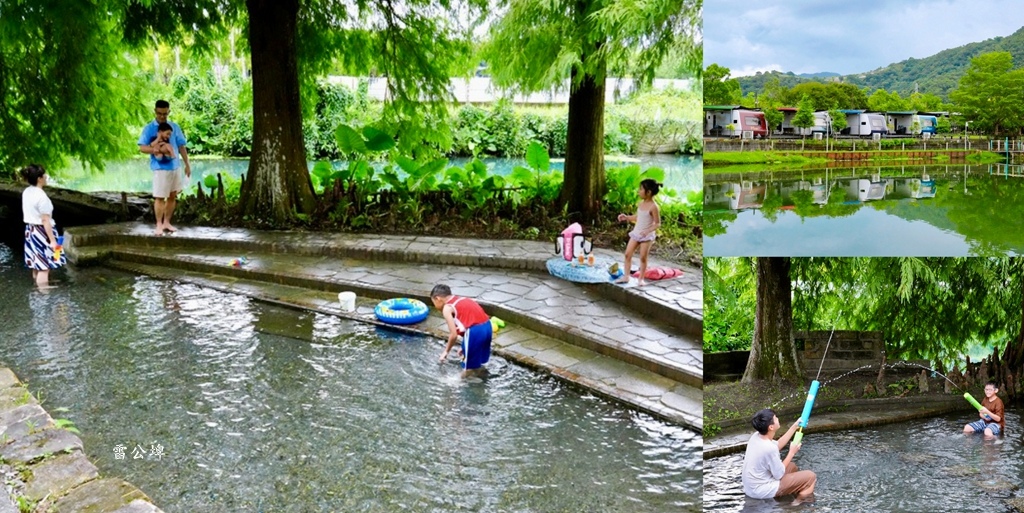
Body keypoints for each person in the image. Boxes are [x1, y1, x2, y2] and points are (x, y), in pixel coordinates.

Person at [742, 409, 817, 505]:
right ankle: (796, 505)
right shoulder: (768, 448)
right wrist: (792, 452)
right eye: (775, 418)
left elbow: (777, 445)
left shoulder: (756, 437)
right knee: (810, 477)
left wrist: (795, 426)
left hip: (751, 488)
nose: (778, 418)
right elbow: (779, 474)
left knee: (792, 466)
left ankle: (789, 495)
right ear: (771, 427)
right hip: (761, 491)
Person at [138, 99, 191, 236]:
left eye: (165, 114)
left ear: (169, 112)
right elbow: (142, 148)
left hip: (175, 166)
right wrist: (157, 150)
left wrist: (187, 164)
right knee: (160, 196)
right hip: (160, 168)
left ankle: (167, 222)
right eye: (160, 113)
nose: (162, 116)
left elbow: (181, 146)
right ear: (155, 111)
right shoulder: (149, 129)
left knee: (173, 195)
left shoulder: (174, 127)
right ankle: (159, 225)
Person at [431, 284, 493, 378]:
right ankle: (482, 379)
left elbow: (453, 335)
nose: (435, 306)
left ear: (438, 298)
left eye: (433, 302)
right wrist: (465, 346)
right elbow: (470, 321)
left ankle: (458, 384)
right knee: (481, 362)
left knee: (468, 367)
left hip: (475, 332)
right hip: (488, 327)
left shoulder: (447, 308)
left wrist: (446, 351)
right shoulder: (463, 299)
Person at [21, 164, 66, 287]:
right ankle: (44, 295)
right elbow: (45, 220)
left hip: (30, 230)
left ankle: (37, 290)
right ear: (39, 179)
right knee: (44, 267)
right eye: (44, 175)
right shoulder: (41, 197)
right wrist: (52, 241)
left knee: (36, 264)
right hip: (42, 232)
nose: (46, 176)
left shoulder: (27, 191)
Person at [614, 178, 662, 287]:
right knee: (627, 254)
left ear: (648, 192)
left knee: (643, 257)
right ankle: (626, 276)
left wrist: (648, 231)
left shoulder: (654, 207)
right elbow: (638, 217)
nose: (638, 191)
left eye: (641, 189)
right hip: (636, 233)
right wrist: (626, 217)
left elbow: (657, 223)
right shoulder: (641, 203)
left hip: (647, 236)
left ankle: (641, 279)